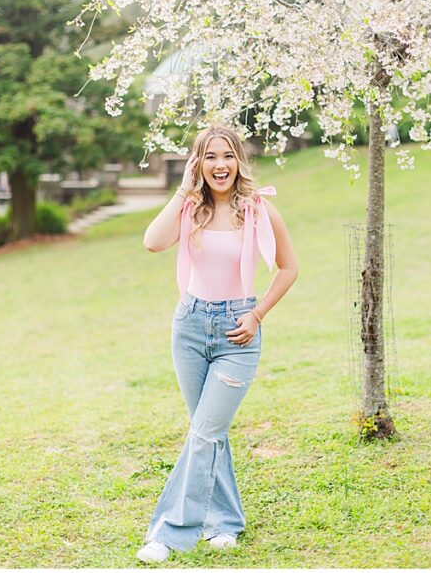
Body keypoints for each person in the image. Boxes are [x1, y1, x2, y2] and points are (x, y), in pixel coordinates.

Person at [135, 125, 298, 563]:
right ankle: (224, 523)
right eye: (209, 157)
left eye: (227, 156)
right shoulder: (191, 211)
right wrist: (183, 192)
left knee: (204, 432)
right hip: (189, 327)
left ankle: (167, 532)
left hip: (237, 333)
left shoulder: (259, 210)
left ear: (239, 161)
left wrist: (257, 313)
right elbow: (152, 242)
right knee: (209, 431)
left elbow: (288, 268)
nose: (219, 165)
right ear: (198, 164)